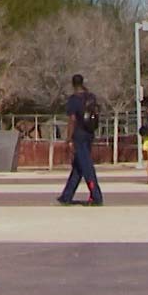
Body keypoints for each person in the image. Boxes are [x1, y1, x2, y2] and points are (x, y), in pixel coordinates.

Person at [56, 73, 102, 206]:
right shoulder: (91, 97)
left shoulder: (74, 100)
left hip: (79, 136)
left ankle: (96, 196)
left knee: (87, 167)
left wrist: (69, 138)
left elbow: (72, 120)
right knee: (78, 167)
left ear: (73, 84)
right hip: (89, 134)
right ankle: (67, 195)